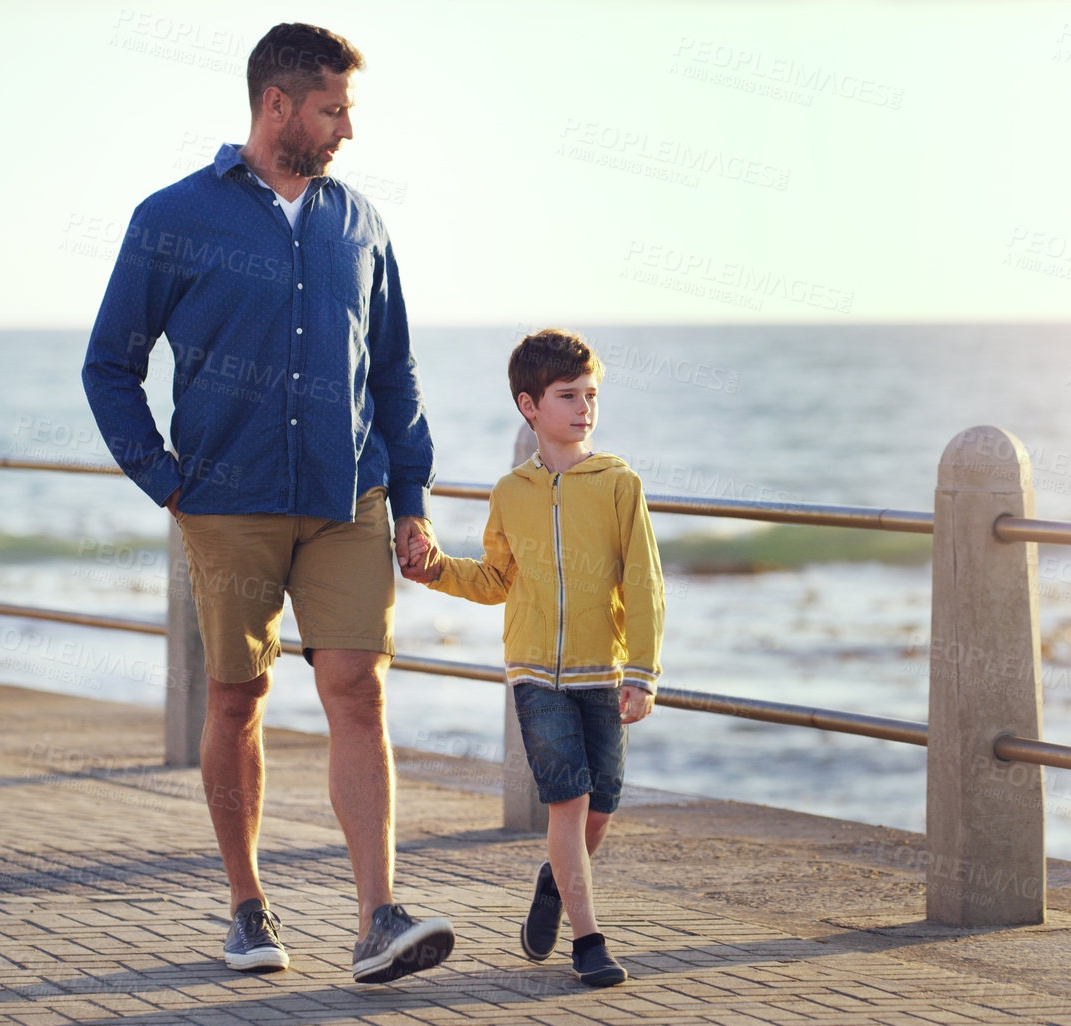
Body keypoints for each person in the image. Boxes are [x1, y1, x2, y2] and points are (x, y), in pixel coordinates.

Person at [80, 22, 453, 984]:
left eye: (348, 111)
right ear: (277, 105)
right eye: (332, 110)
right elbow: (109, 367)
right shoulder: (172, 217)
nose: (346, 131)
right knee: (238, 698)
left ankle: (379, 918)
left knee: (356, 691)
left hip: (347, 498)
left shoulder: (360, 221)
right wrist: (168, 482)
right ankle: (247, 908)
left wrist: (409, 498)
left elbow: (396, 371)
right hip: (227, 501)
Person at [405, 328, 664, 987]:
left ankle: (553, 883)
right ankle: (589, 941)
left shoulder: (618, 484)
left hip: (601, 671)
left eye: (591, 395)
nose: (584, 408)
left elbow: (643, 582)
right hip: (532, 674)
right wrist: (436, 572)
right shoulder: (510, 492)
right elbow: (496, 580)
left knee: (600, 808)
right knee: (568, 805)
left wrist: (641, 672)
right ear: (530, 406)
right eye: (567, 395)